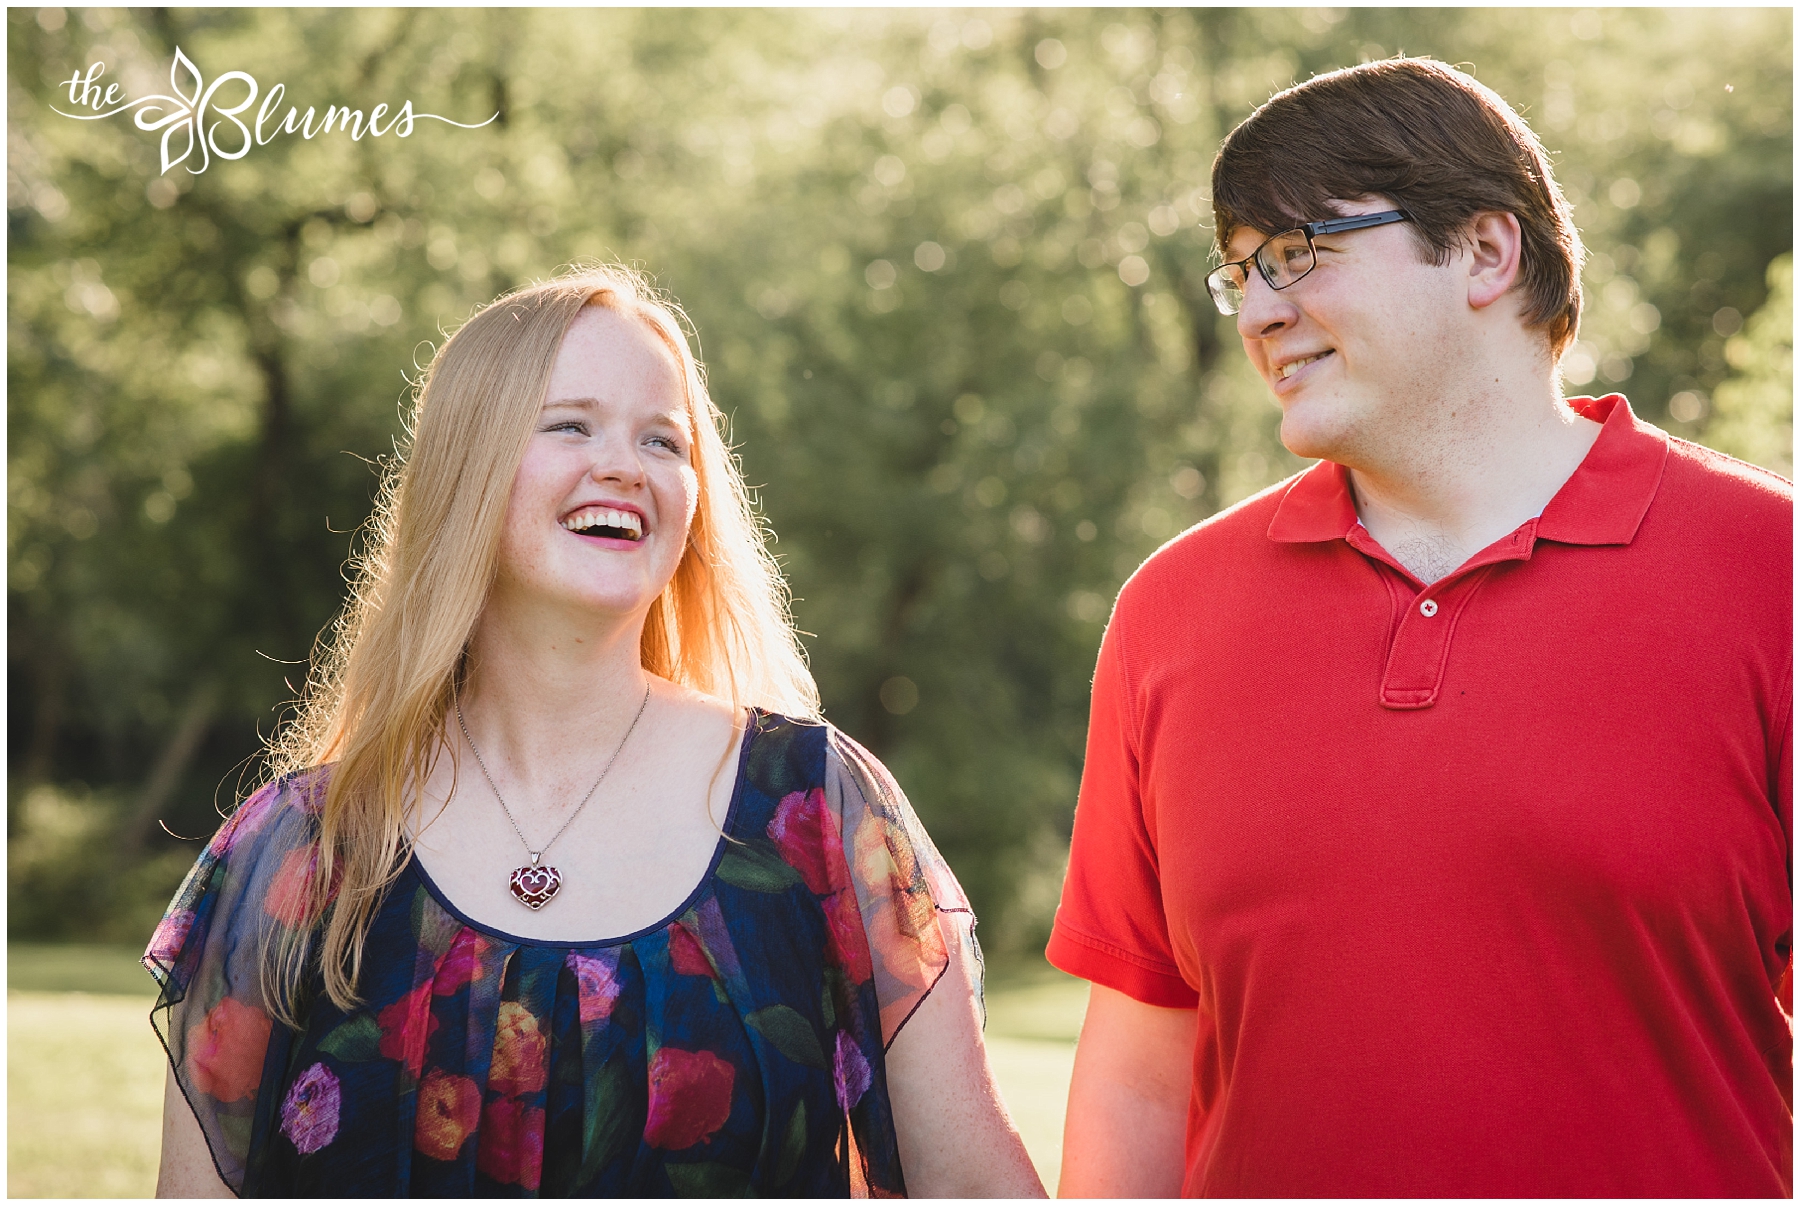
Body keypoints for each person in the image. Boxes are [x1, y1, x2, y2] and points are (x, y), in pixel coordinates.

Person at [1049, 57, 1791, 1197]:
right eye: (1240, 273)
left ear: (1487, 252)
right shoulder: (1170, 615)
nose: (1258, 311)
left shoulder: (1768, 572)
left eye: (1300, 253)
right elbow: (1139, 1072)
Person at [145, 266, 1045, 1198]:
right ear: (466, 466)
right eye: (571, 424)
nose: (625, 465)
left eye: (664, 439)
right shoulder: (300, 848)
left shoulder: (813, 808)